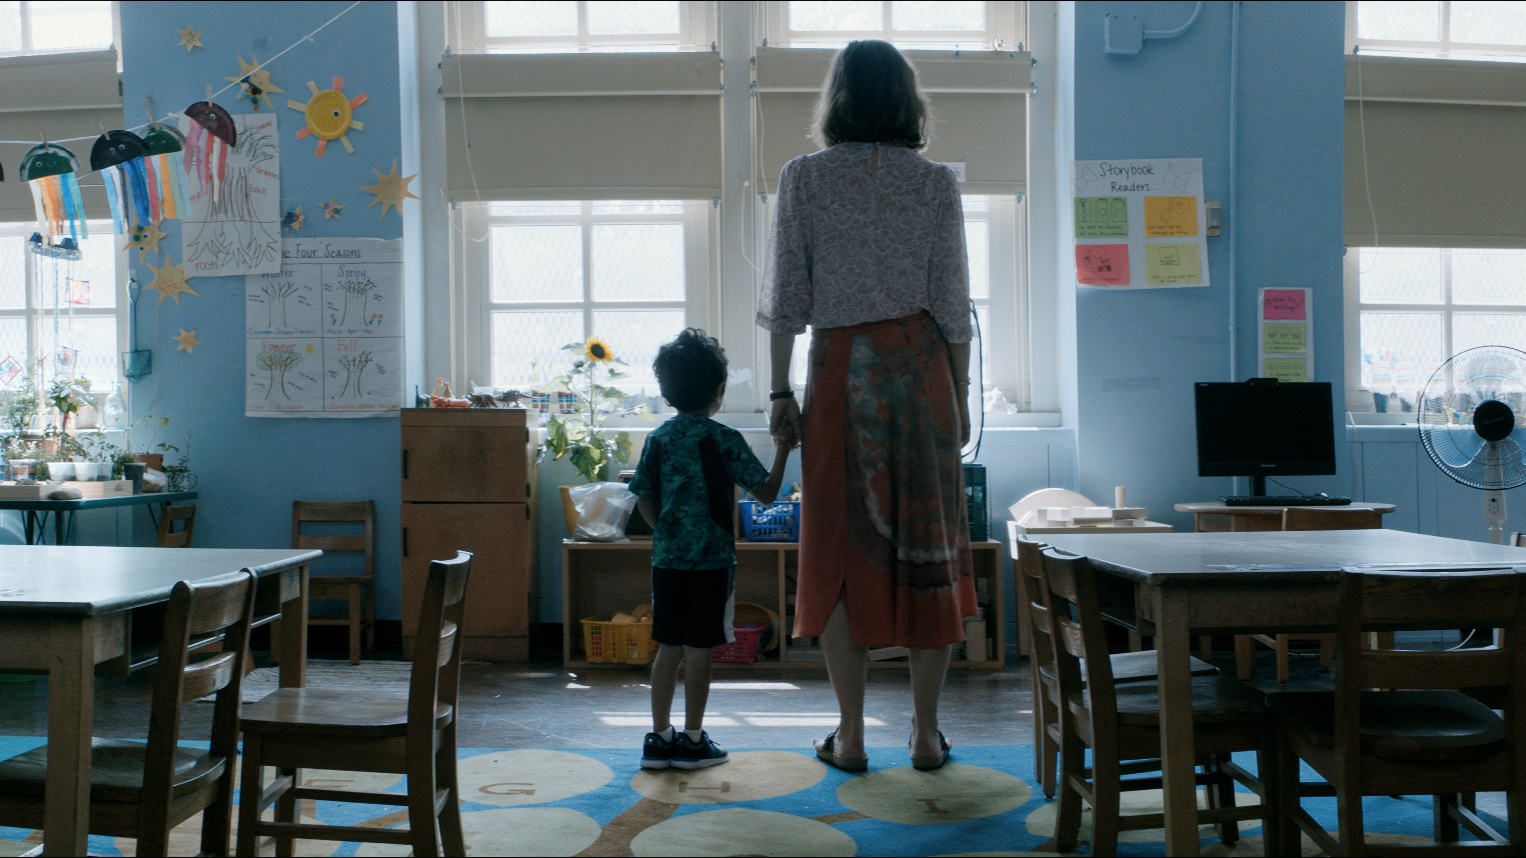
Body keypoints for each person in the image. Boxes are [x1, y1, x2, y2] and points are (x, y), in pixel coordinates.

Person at [756, 39, 976, 772]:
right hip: (922, 375)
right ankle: (923, 734)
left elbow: (786, 297)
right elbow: (952, 306)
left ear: (837, 100)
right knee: (929, 548)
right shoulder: (936, 184)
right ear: (909, 102)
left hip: (840, 373)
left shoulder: (804, 179)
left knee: (841, 548)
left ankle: (849, 736)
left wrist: (780, 390)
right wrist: (962, 397)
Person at [628, 328, 792, 770]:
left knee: (668, 645)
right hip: (713, 563)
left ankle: (659, 740)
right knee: (700, 651)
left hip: (667, 560)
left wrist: (662, 529)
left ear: (666, 391)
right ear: (719, 390)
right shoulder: (725, 439)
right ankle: (694, 741)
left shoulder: (658, 438)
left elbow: (641, 494)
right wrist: (783, 448)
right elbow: (767, 494)